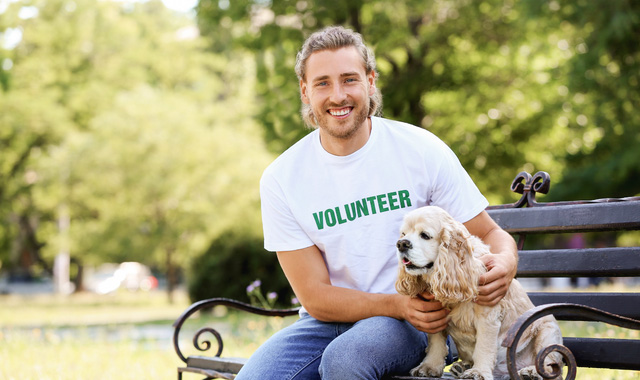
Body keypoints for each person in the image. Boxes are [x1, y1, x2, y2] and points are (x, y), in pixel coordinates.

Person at [236, 25, 518, 380]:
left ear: (370, 82)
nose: (337, 95)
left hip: (419, 320)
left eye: (349, 79)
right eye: (323, 83)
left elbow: (489, 234)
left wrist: (506, 260)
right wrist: (394, 303)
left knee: (345, 361)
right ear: (305, 91)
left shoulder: (421, 150)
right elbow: (315, 295)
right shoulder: (281, 178)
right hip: (328, 323)